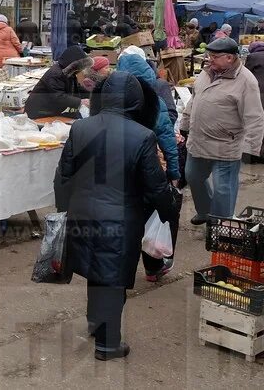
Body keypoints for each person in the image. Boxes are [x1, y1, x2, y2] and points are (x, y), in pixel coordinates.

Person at [53, 71, 179, 361]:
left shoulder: (81, 128)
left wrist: (65, 209)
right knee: (111, 277)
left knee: (96, 271)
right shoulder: (142, 136)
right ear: (136, 101)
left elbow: (63, 176)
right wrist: (168, 211)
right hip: (120, 220)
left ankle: (97, 326)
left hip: (83, 214)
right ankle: (108, 345)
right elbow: (156, 186)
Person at [179, 37, 264, 222]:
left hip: (226, 145)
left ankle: (222, 222)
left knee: (223, 188)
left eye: (215, 56)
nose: (210, 59)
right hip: (199, 140)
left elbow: (255, 116)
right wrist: (184, 124)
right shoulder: (206, 73)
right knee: (192, 177)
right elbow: (194, 100)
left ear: (230, 58)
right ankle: (205, 211)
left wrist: (250, 148)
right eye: (209, 55)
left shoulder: (246, 81)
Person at [116, 51, 182, 279]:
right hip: (149, 170)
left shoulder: (110, 103)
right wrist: (174, 173)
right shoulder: (156, 103)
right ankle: (153, 268)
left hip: (119, 172)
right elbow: (168, 141)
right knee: (154, 215)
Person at [24, 45, 92, 120]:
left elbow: (76, 88)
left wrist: (93, 94)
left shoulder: (68, 72)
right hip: (40, 111)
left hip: (51, 108)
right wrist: (81, 101)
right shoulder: (56, 74)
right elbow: (58, 97)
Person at [244, 41, 264, 164]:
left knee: (255, 122)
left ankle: (252, 155)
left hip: (259, 93)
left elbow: (245, 74)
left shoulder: (253, 57)